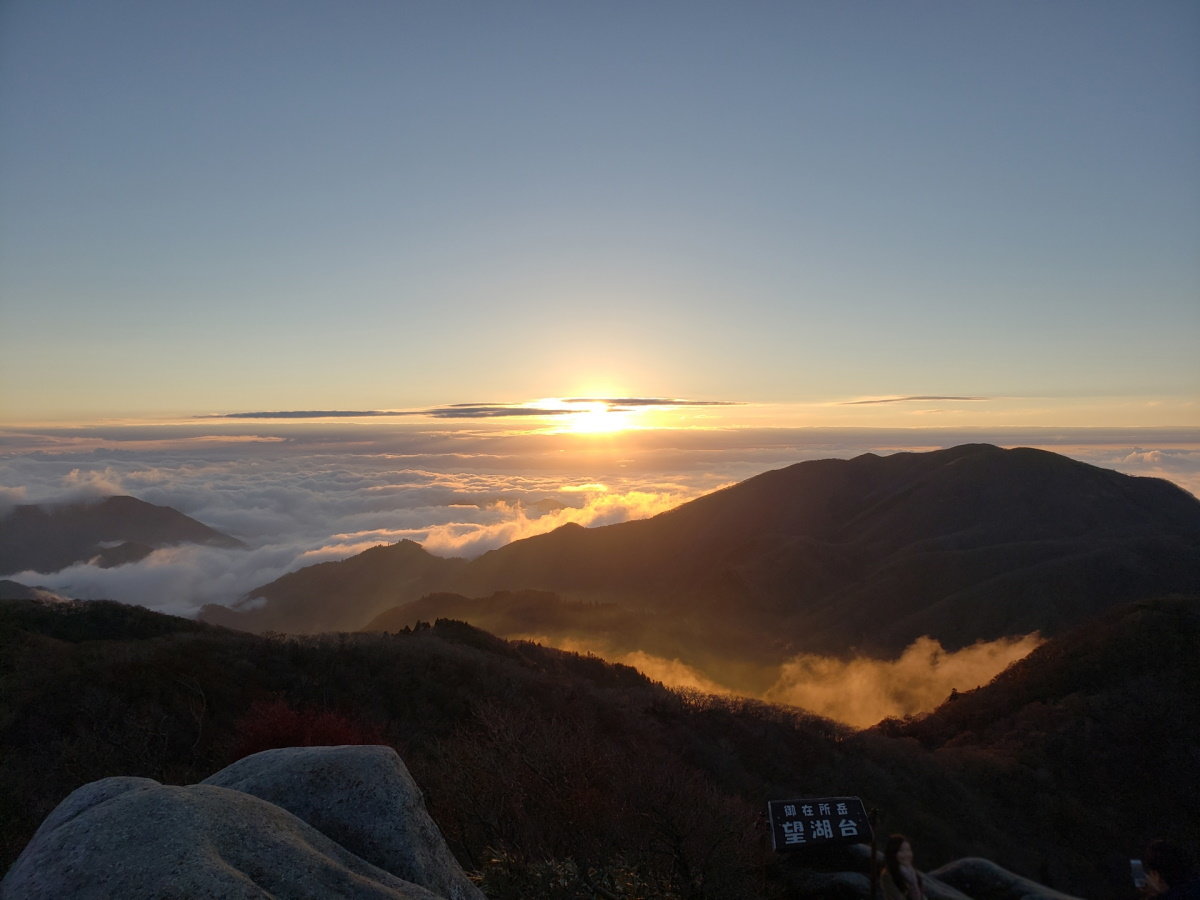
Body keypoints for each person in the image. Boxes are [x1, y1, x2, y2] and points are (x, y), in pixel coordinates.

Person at [879, 833, 925, 900]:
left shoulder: (913, 873)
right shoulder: (888, 876)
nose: (906, 854)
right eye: (901, 851)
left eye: (908, 850)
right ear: (893, 853)